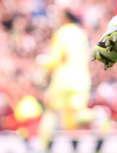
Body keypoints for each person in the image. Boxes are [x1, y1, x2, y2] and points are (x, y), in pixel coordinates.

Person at [37, 10, 93, 146]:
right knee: (79, 114)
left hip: (64, 78)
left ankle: (43, 146)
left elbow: (55, 58)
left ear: (66, 18)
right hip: (82, 79)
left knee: (50, 109)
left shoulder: (62, 32)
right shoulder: (82, 35)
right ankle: (101, 118)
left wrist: (42, 65)